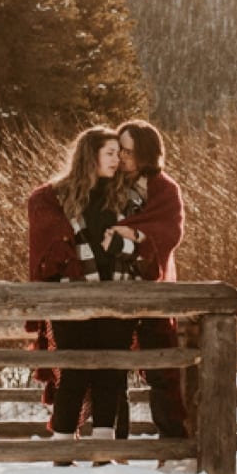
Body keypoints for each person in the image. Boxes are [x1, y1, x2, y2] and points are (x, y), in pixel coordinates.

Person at [25, 126, 140, 442]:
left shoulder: (126, 198)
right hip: (71, 298)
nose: (117, 160)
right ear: (91, 156)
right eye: (110, 153)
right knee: (72, 372)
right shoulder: (55, 197)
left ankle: (103, 448)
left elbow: (142, 247)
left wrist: (121, 246)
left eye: (119, 153)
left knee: (111, 373)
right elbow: (48, 250)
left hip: (117, 296)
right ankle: (62, 447)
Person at [105, 119, 192, 442]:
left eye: (129, 151)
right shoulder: (106, 183)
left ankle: (172, 442)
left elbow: (170, 231)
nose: (122, 157)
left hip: (153, 286)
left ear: (145, 153)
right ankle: (114, 444)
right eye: (120, 150)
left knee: (162, 367)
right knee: (111, 368)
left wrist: (135, 233)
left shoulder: (165, 189)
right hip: (112, 287)